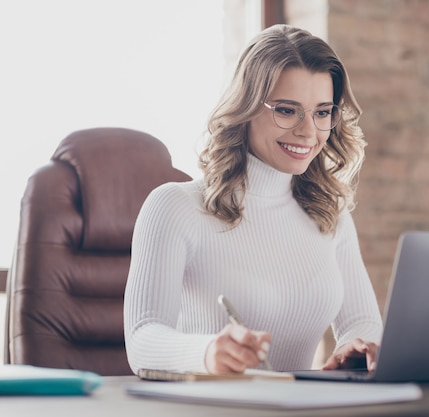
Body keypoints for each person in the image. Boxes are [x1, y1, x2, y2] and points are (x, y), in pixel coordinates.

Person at [124, 24, 383, 375]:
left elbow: (362, 322)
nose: (308, 131)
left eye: (322, 112)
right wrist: (207, 353)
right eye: (287, 110)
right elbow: (142, 339)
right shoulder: (175, 207)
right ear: (246, 108)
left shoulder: (330, 214)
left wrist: (356, 347)